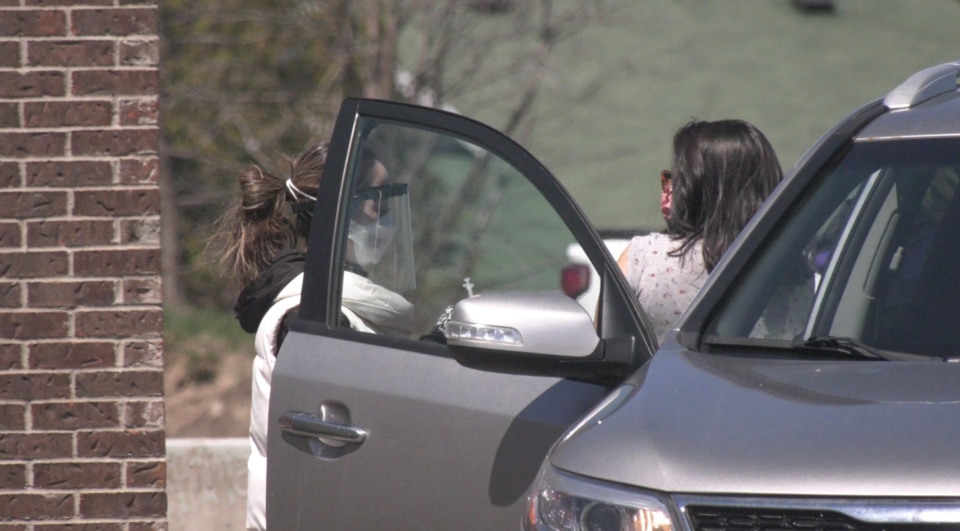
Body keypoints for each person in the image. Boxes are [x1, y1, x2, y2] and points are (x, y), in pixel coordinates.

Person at [211, 143, 414, 531]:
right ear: (339, 212)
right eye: (378, 203)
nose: (388, 218)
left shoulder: (336, 307)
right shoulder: (309, 316)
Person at [618, 119, 783, 343]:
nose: (669, 189)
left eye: (676, 179)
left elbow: (605, 347)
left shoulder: (645, 256)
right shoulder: (790, 267)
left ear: (693, 188)